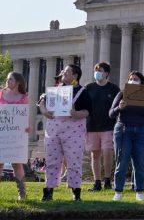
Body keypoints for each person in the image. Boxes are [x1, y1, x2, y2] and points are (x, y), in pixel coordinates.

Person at [38, 64, 92, 201]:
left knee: (74, 161)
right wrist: (44, 111)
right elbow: (41, 102)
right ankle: (48, 190)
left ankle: (76, 191)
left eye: (67, 71)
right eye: (63, 71)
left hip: (74, 131)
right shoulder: (55, 90)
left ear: (75, 76)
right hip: (53, 130)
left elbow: (87, 111)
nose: (64, 73)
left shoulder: (82, 92)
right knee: (51, 160)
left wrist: (75, 113)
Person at [108, 71, 144, 201]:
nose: (132, 81)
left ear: (141, 82)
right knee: (122, 162)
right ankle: (118, 191)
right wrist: (119, 107)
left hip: (142, 131)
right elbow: (111, 114)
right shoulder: (121, 94)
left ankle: (139, 191)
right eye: (130, 79)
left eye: (135, 79)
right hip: (124, 130)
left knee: (140, 163)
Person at [85, 62, 121, 192]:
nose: (97, 73)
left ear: (106, 73)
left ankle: (107, 180)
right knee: (95, 154)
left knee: (107, 152)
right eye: (96, 70)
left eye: (100, 70)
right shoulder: (88, 87)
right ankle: (97, 182)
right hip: (92, 126)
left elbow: (117, 108)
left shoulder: (114, 89)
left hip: (108, 126)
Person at [0, 72, 31, 200]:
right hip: (2, 134)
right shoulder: (1, 94)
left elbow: (25, 116)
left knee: (16, 164)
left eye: (10, 79)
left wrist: (28, 126)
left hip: (16, 136)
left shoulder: (23, 97)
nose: (8, 81)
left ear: (18, 82)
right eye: (7, 79)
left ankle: (21, 194)